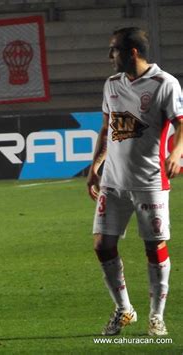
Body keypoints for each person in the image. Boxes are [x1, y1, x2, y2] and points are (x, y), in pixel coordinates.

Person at [87, 27, 183, 336]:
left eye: (113, 50)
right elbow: (107, 127)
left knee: (154, 247)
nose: (109, 56)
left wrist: (177, 153)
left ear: (132, 53)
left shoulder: (164, 84)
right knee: (102, 245)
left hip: (149, 181)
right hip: (113, 181)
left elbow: (182, 124)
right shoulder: (112, 84)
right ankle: (124, 309)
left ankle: (157, 315)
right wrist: (95, 165)